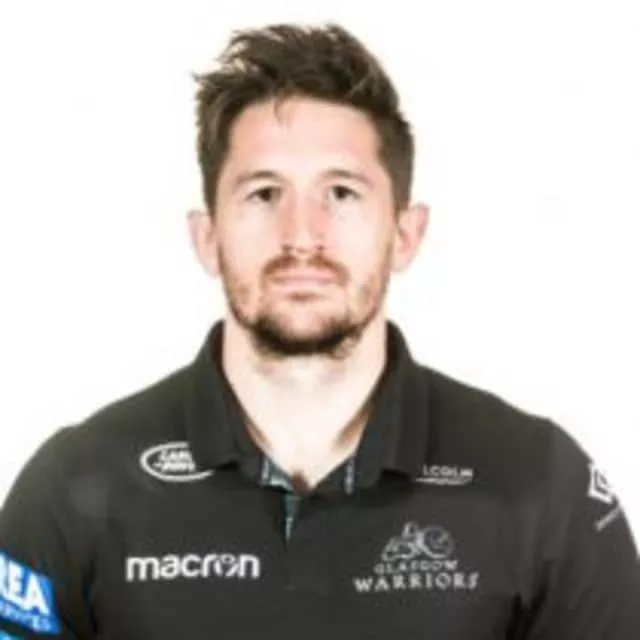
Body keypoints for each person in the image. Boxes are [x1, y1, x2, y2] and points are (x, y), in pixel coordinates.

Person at [0, 21, 638, 640]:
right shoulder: (72, 490)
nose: (302, 236)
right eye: (263, 193)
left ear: (405, 234)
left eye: (341, 193)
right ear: (207, 238)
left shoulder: (540, 484)